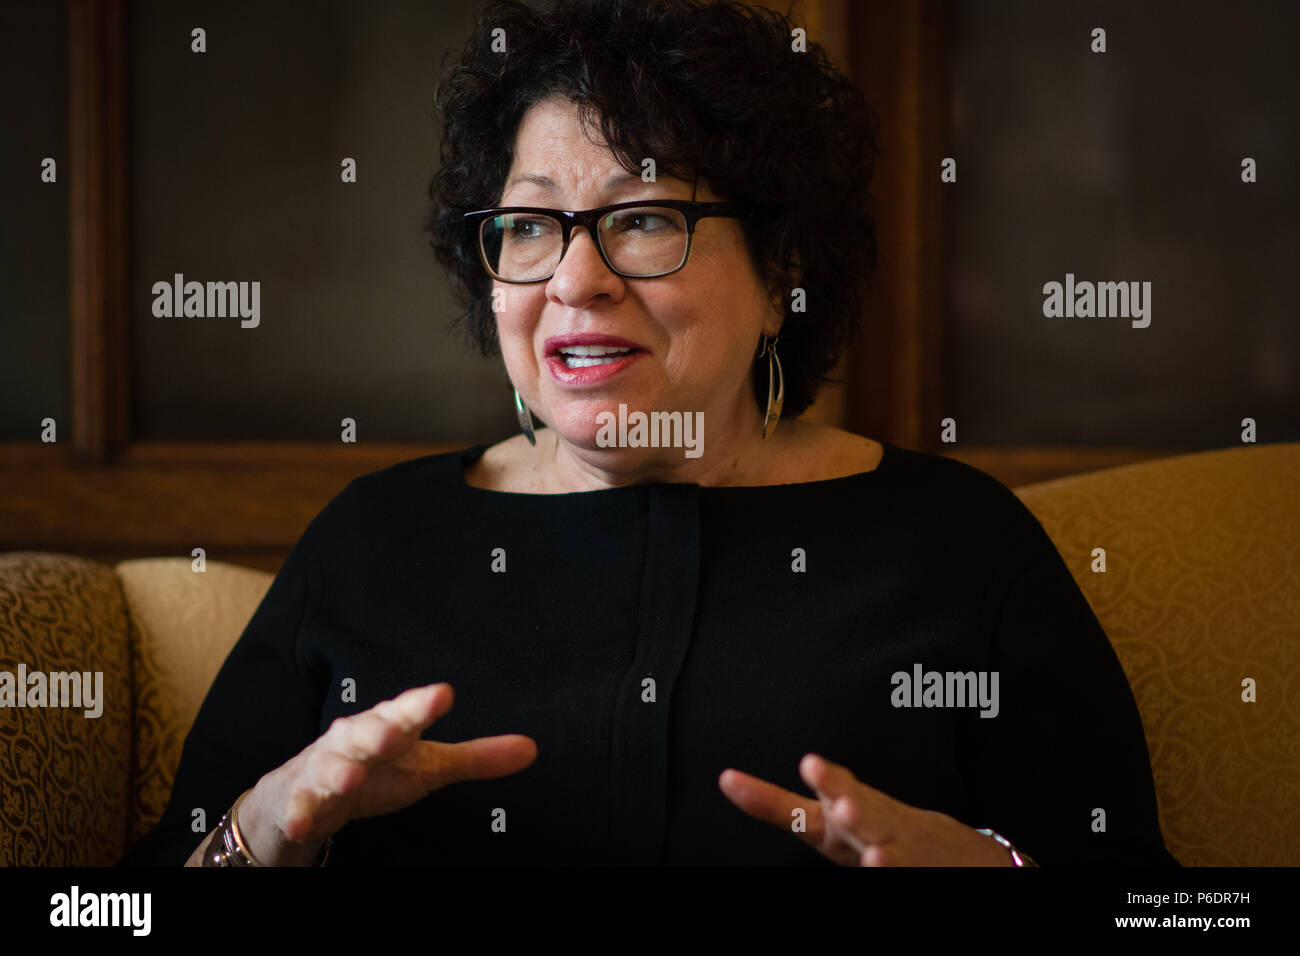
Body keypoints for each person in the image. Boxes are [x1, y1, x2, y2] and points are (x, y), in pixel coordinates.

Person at [118, 0, 1178, 867]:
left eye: (642, 218)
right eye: (529, 225)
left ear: (782, 271)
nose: (576, 278)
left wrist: (996, 870)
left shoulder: (955, 544)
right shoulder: (372, 541)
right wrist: (259, 829)